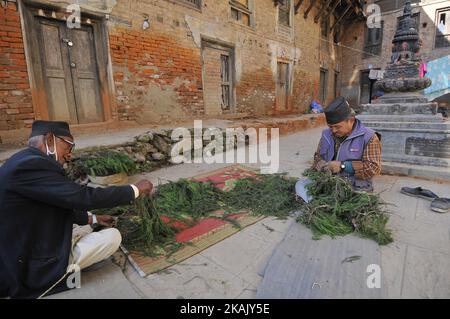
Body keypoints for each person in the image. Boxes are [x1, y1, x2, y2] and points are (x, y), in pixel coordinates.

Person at [0, 120, 153, 298]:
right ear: (50, 140)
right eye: (68, 146)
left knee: (85, 227)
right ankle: (60, 269)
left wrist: (92, 219)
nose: (70, 155)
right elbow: (83, 197)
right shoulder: (30, 166)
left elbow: (50, 202)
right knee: (112, 237)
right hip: (24, 264)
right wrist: (134, 190)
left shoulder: (22, 159)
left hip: (23, 239)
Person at [311, 97, 382, 192]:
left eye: (337, 126)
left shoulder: (369, 137)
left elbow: (373, 168)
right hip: (328, 184)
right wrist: (321, 165)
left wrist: (343, 166)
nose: (333, 130)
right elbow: (317, 157)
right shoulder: (326, 134)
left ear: (351, 121)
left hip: (355, 187)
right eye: (330, 126)